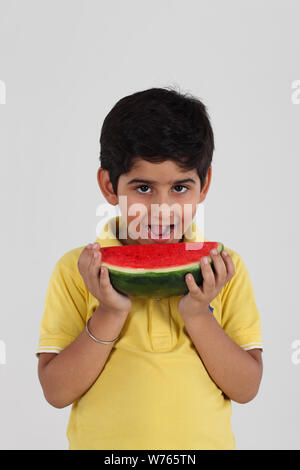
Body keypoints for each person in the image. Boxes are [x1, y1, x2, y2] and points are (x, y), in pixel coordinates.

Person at [36, 87, 263, 450]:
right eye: (143, 188)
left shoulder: (224, 269)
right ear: (110, 186)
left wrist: (199, 314)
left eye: (180, 187)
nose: (162, 207)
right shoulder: (78, 270)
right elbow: (57, 392)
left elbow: (246, 388)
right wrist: (110, 312)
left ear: (204, 186)